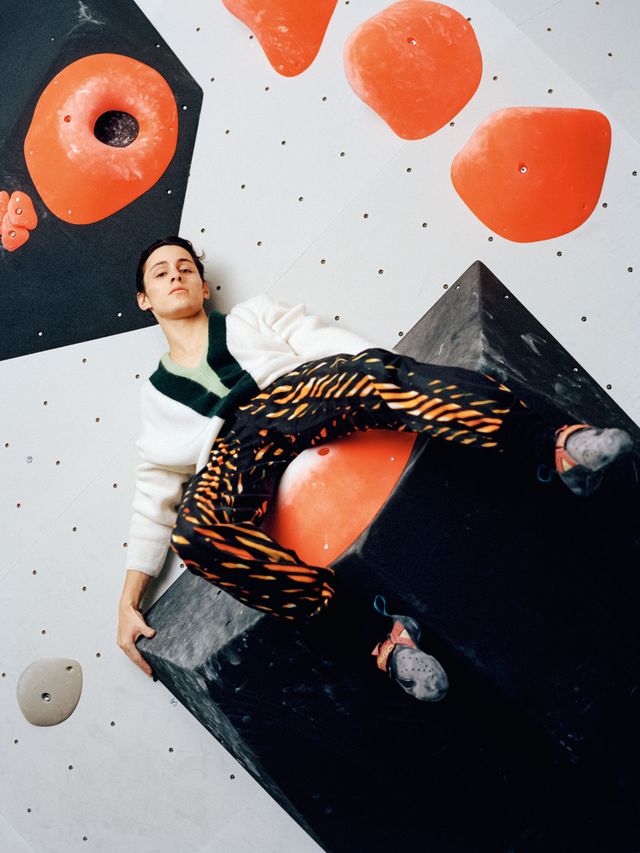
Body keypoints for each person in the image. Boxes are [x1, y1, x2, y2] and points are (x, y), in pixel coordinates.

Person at [117, 236, 632, 701]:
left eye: (185, 267)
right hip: (232, 451)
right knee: (194, 534)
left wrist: (374, 376)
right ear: (145, 299)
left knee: (367, 373)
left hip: (295, 394)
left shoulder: (252, 316)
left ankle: (552, 446)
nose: (175, 275)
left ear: (204, 287)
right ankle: (382, 639)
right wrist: (129, 599)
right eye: (161, 273)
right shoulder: (157, 396)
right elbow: (154, 494)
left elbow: (328, 345)